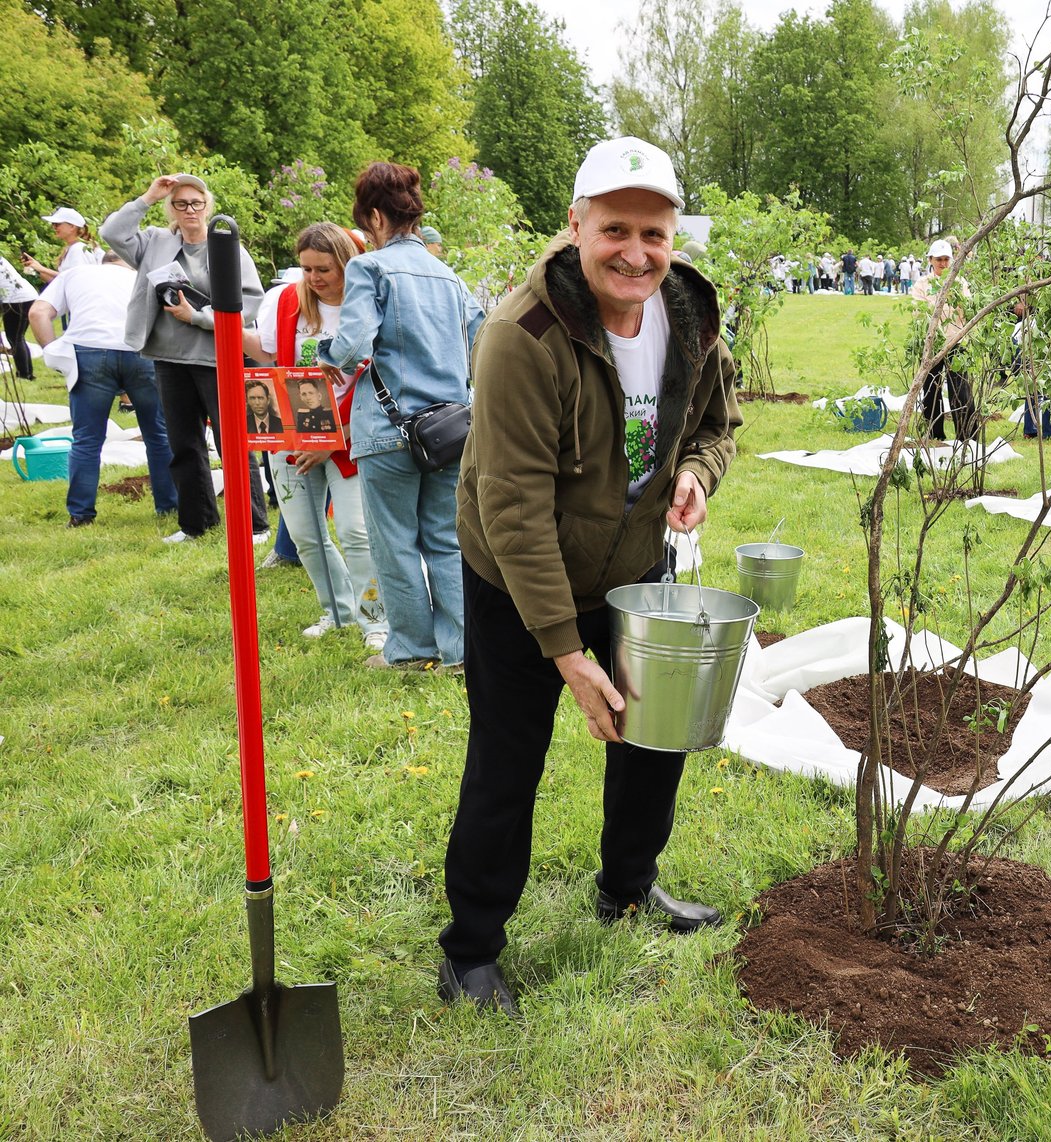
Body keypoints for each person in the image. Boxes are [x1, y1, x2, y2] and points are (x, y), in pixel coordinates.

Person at [436, 137, 741, 1016]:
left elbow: (720, 425)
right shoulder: (522, 335)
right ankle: (472, 950)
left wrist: (696, 475)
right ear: (575, 227)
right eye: (615, 228)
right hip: (516, 580)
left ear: (674, 236)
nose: (635, 253)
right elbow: (513, 507)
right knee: (507, 758)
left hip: (633, 569)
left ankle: (630, 892)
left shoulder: (687, 314)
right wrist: (566, 653)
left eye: (654, 232)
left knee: (653, 739)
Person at [321, 161, 483, 671]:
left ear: (374, 215)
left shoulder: (369, 269)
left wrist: (323, 356)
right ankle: (459, 650)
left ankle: (412, 649)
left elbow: (352, 345)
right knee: (446, 540)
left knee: (394, 543)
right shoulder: (451, 277)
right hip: (451, 430)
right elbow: (484, 343)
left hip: (388, 431)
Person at [100, 173, 268, 544]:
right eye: (180, 203)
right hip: (168, 357)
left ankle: (254, 523)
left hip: (216, 356)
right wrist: (147, 196)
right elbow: (111, 233)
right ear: (171, 209)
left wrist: (197, 318)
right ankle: (196, 523)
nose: (189, 210)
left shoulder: (228, 247)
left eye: (196, 203)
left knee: (232, 442)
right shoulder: (155, 242)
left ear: (208, 205)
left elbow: (249, 307)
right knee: (183, 443)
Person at [247, 223, 388, 651]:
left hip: (352, 433)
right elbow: (273, 358)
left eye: (323, 268)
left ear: (347, 262)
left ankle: (375, 618)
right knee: (306, 533)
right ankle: (337, 610)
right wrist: (211, 323)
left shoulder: (369, 303)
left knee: (355, 531)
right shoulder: (287, 300)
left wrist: (335, 436)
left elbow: (382, 375)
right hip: (294, 433)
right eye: (306, 269)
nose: (314, 278)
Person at [26, 252, 179, 527]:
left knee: (87, 439)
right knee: (158, 435)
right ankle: (168, 506)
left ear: (102, 262)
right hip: (139, 350)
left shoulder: (74, 274)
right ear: (129, 263)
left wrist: (52, 352)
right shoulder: (142, 276)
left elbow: (37, 313)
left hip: (89, 352)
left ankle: (81, 514)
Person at [911, 238, 976, 442]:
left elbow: (968, 310)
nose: (943, 264)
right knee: (931, 391)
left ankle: (967, 436)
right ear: (930, 260)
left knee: (961, 391)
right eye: (939, 259)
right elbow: (918, 313)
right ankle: (934, 434)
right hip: (933, 345)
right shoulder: (922, 285)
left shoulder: (960, 283)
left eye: (946, 259)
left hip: (955, 343)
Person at [23, 208, 107, 284]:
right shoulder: (72, 248)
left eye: (57, 224)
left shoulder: (78, 249)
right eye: (53, 224)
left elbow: (77, 279)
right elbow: (63, 281)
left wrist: (42, 269)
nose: (54, 227)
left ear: (72, 226)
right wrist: (37, 270)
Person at [1, 254, 39, 380]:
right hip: (26, 296)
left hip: (17, 299)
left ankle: (24, 374)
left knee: (15, 337)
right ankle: (26, 372)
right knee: (17, 337)